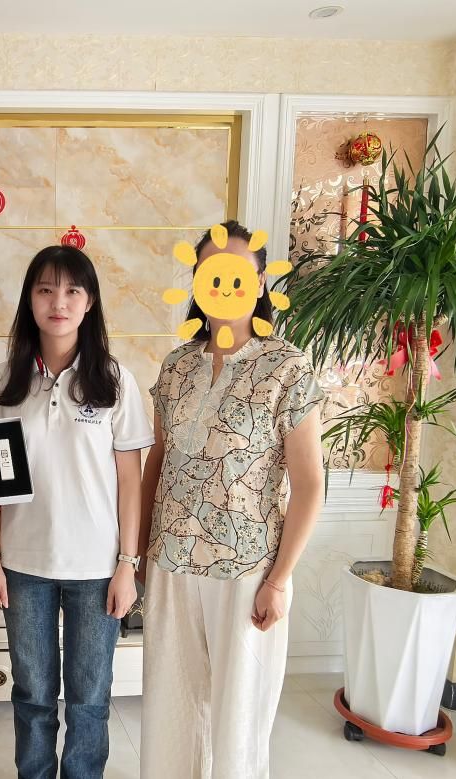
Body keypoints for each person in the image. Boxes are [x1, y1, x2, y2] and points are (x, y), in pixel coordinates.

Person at [0, 244, 153, 779]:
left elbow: (130, 483)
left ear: (89, 302)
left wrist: (128, 566)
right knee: (33, 694)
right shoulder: (1, 383)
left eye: (71, 290)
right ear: (30, 300)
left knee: (89, 697)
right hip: (22, 567)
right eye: (45, 290)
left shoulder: (114, 380)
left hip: (97, 568)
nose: (58, 302)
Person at [137, 220, 324, 779]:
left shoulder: (287, 367)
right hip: (171, 562)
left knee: (238, 720)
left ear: (260, 281)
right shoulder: (177, 366)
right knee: (170, 710)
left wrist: (279, 580)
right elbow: (158, 462)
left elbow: (310, 484)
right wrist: (138, 552)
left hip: (246, 568)